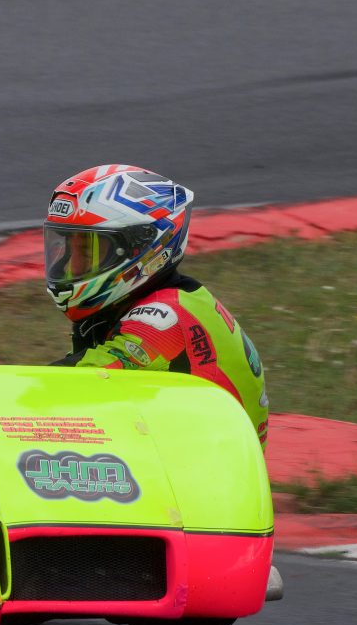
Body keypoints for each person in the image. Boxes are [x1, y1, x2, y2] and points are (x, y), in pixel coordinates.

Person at [44, 164, 268, 445]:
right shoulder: (153, 303)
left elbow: (76, 381)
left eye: (88, 251)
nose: (71, 266)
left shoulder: (165, 315)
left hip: (209, 471)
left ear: (143, 246)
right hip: (184, 447)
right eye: (68, 248)